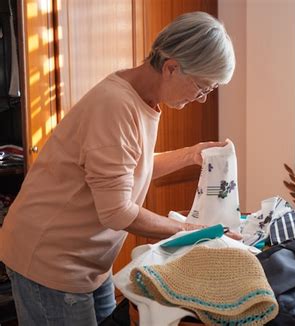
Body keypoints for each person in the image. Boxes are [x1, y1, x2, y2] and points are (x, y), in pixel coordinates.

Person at [0, 11, 240, 325]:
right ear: (171, 68)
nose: (202, 99)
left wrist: (192, 154)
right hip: (51, 259)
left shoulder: (144, 99)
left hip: (89, 260)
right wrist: (192, 232)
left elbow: (128, 169)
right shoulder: (115, 106)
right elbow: (117, 211)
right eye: (202, 88)